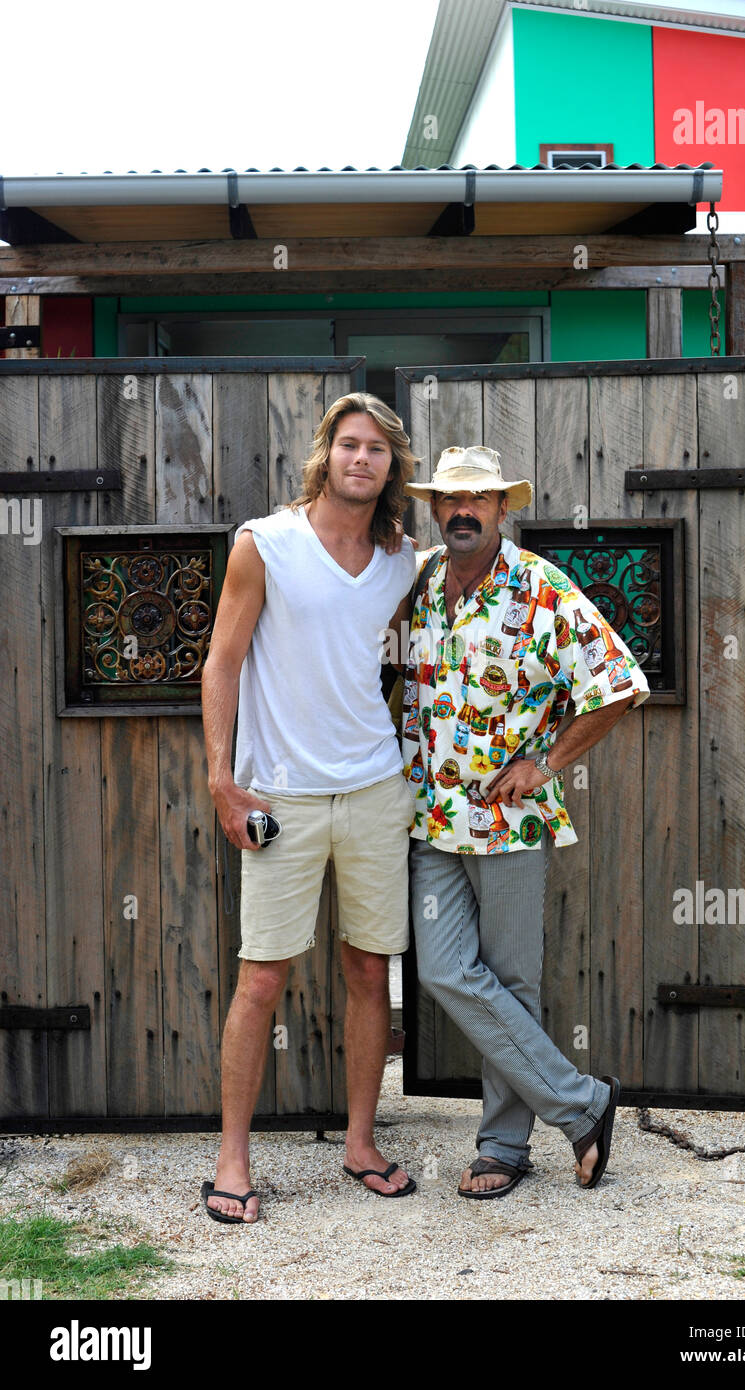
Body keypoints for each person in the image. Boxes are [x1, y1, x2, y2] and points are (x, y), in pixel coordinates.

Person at [402, 445, 651, 1198]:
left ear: (503, 507)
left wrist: (544, 763)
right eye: (450, 499)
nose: (463, 510)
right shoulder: (421, 581)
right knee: (444, 970)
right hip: (430, 813)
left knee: (511, 982)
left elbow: (617, 684)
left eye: (479, 498)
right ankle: (582, 1104)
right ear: (434, 509)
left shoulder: (540, 587)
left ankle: (503, 1148)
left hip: (508, 819)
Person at [200, 391, 421, 1222]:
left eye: (377, 450)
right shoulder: (265, 544)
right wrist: (223, 780)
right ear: (325, 453)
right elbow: (221, 664)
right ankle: (231, 1160)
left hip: (372, 788)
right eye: (349, 445)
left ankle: (361, 1144)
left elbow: (389, 664)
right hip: (280, 794)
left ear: (391, 467)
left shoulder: (402, 559)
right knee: (262, 979)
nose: (361, 459)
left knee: (370, 970)